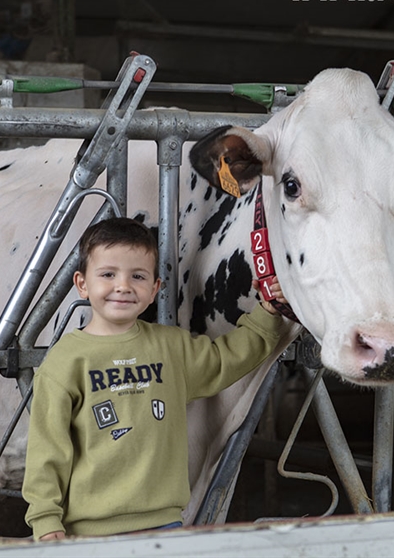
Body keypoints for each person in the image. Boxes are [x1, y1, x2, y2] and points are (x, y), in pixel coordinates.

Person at [22, 217, 289, 541]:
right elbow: (47, 449)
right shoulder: (65, 361)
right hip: (89, 533)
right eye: (108, 274)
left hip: (165, 526)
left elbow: (225, 360)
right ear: (82, 284)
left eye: (137, 276)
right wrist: (46, 521)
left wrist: (267, 313)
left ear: (154, 289)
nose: (123, 286)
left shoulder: (170, 347)